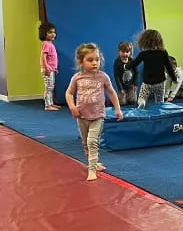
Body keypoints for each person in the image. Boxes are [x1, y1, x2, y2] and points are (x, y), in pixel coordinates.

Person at [65, 43, 123, 181]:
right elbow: (68, 93)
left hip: (97, 115)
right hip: (82, 116)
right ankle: (95, 163)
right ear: (81, 62)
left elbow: (111, 92)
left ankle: (91, 170)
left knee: (92, 142)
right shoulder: (77, 77)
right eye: (90, 60)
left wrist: (117, 109)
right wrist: (73, 107)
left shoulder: (103, 77)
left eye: (97, 59)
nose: (94, 63)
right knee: (85, 143)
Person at [124, 29, 176, 109]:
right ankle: (160, 108)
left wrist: (126, 67)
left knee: (142, 96)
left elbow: (134, 63)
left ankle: (142, 102)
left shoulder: (144, 53)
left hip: (147, 82)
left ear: (144, 41)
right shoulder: (163, 52)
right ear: (159, 41)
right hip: (160, 82)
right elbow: (169, 67)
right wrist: (174, 78)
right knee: (159, 100)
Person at [39, 22, 60, 111]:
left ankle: (51, 103)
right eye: (50, 32)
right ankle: (47, 105)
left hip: (51, 69)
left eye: (54, 32)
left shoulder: (50, 44)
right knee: (49, 87)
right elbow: (43, 57)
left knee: (51, 86)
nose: (53, 34)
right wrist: (47, 67)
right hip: (47, 69)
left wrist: (54, 68)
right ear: (44, 33)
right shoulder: (46, 43)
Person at [113, 41, 138, 105]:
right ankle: (122, 96)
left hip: (131, 86)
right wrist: (120, 89)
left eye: (127, 52)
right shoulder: (117, 62)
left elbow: (136, 72)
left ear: (130, 53)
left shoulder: (132, 61)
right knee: (122, 103)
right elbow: (117, 77)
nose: (124, 54)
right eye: (122, 52)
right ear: (119, 52)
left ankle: (129, 97)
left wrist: (135, 84)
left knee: (133, 101)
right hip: (122, 87)